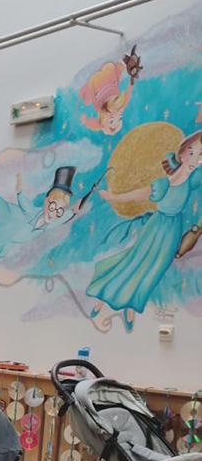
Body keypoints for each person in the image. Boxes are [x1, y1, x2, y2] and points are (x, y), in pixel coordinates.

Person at [88, 130, 202, 331]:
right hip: (157, 228)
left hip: (173, 231)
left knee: (153, 271)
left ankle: (131, 304)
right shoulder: (164, 183)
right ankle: (103, 297)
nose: (195, 160)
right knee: (135, 262)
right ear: (182, 154)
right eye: (191, 153)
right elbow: (141, 193)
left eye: (200, 155)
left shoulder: (194, 178)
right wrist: (114, 197)